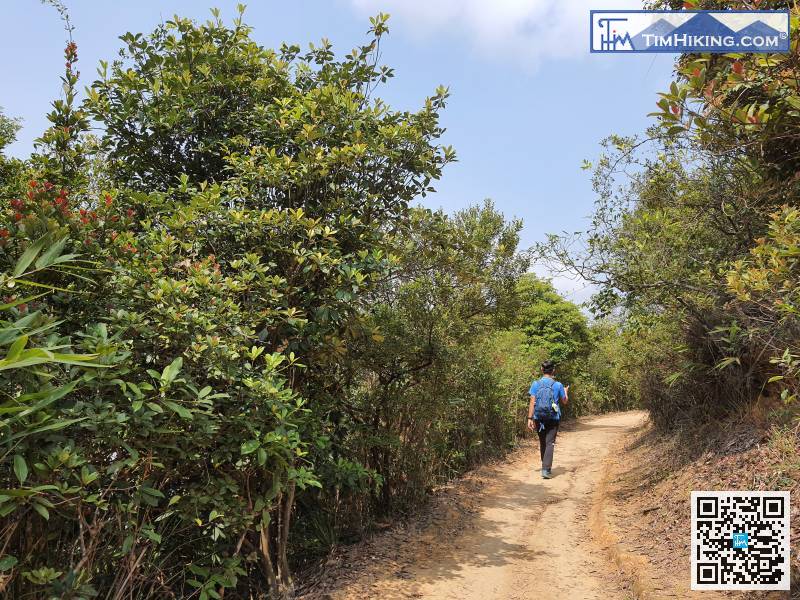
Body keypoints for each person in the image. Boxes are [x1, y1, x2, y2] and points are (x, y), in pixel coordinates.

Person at [527, 360, 569, 479]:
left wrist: (529, 418)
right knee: (550, 442)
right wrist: (566, 392)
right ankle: (546, 469)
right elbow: (565, 401)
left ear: (541, 369)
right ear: (553, 370)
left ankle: (545, 466)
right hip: (553, 418)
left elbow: (532, 401)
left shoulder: (535, 384)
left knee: (543, 442)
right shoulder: (558, 385)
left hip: (538, 417)